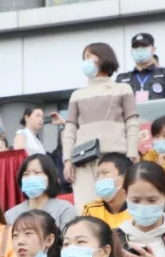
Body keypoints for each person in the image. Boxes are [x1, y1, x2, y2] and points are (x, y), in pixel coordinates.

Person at [64, 43, 140, 206]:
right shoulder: (77, 95)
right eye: (84, 58)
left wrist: (132, 152)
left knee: (119, 205)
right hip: (83, 159)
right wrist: (67, 160)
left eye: (90, 56)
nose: (86, 61)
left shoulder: (123, 89)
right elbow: (70, 129)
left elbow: (132, 123)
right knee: (85, 206)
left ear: (104, 57)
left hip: (116, 156)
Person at [5, 153, 77, 228]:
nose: (31, 178)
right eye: (26, 174)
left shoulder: (64, 210)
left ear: (50, 177)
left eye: (37, 173)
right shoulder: (11, 215)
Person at [116, 32, 165, 100]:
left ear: (153, 49)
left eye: (144, 46)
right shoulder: (122, 79)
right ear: (131, 50)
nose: (140, 49)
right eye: (136, 47)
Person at [79, 153, 132, 230]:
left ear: (124, 177)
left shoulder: (137, 208)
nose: (100, 179)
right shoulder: (91, 209)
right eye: (98, 175)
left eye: (105, 173)